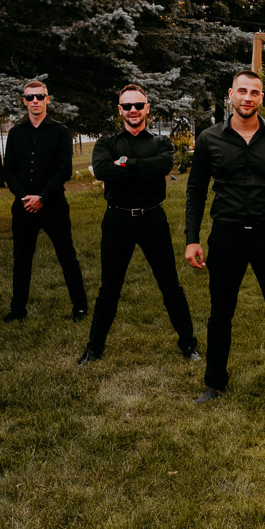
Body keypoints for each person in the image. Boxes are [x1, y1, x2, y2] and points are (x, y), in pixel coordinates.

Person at [184, 70, 265, 403]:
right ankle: (214, 383)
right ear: (231, 94)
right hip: (227, 235)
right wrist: (192, 238)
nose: (248, 98)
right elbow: (196, 191)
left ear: (261, 98)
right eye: (242, 91)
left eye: (255, 93)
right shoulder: (210, 139)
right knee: (220, 313)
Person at [79, 84, 199, 364]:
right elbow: (102, 170)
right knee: (109, 288)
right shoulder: (106, 143)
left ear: (147, 108)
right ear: (119, 109)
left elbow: (162, 167)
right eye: (127, 106)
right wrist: (142, 166)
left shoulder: (161, 143)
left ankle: (188, 345)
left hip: (152, 219)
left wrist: (124, 164)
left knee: (170, 285)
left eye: (138, 105)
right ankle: (94, 348)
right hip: (117, 220)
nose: (133, 110)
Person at [2, 79, 88, 323]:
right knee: (21, 260)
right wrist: (24, 197)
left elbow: (64, 170)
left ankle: (80, 307)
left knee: (67, 257)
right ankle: (18, 310)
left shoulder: (60, 132)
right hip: (23, 207)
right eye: (30, 97)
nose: (35, 101)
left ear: (47, 99)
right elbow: (8, 171)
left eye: (40, 96)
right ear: (24, 101)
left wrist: (42, 197)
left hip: (54, 205)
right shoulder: (15, 133)